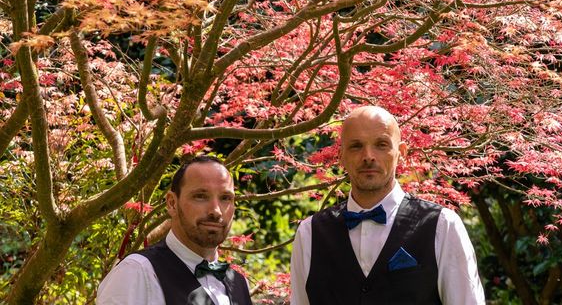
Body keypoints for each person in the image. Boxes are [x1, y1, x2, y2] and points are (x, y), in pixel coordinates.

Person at [290, 106, 485, 305]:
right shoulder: (309, 233)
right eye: (356, 146)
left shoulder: (442, 226)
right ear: (341, 156)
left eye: (381, 144)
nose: (368, 156)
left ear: (401, 152)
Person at [97, 156, 252, 305]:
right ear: (172, 203)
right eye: (200, 196)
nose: (216, 211)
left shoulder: (239, 282)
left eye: (225, 198)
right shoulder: (137, 272)